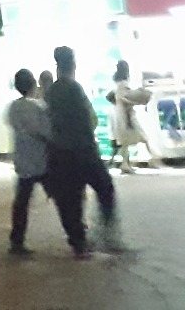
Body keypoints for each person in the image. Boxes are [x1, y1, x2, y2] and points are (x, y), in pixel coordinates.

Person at [45, 45, 119, 258]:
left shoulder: (52, 92)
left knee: (70, 198)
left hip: (60, 151)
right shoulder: (74, 89)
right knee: (104, 187)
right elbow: (89, 119)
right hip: (82, 149)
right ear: (73, 64)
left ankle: (78, 241)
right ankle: (105, 234)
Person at [5, 68, 53, 255]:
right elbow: (45, 132)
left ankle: (16, 240)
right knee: (61, 198)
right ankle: (77, 237)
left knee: (21, 202)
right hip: (42, 159)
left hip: (23, 161)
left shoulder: (13, 107)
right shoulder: (38, 107)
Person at [108, 60, 152, 174]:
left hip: (120, 111)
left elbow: (118, 96)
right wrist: (135, 100)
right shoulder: (124, 81)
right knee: (141, 136)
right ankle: (153, 160)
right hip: (125, 111)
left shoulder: (116, 79)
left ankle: (126, 164)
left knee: (125, 140)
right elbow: (123, 96)